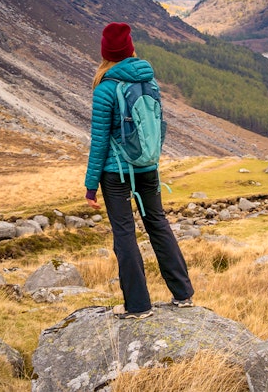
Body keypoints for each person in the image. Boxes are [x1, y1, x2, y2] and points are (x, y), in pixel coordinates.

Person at [84, 22, 194, 319]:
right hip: (148, 167)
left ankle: (138, 306)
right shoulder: (149, 81)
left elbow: (99, 142)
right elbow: (158, 127)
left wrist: (90, 185)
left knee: (124, 234)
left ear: (106, 53)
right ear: (131, 48)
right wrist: (152, 160)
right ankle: (183, 294)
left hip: (116, 172)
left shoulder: (106, 88)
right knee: (158, 223)